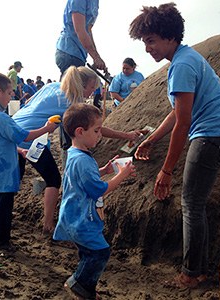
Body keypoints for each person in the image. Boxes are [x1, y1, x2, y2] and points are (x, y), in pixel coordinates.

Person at [129, 2, 220, 288]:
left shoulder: (181, 65)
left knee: (191, 203)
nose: (147, 49)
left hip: (213, 133)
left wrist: (167, 170)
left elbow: (184, 123)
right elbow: (179, 112)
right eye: (145, 42)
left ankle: (192, 274)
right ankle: (198, 270)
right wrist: (152, 138)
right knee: (195, 202)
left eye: (151, 41)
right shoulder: (187, 57)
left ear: (170, 37)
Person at [13, 66, 142, 233]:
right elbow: (98, 129)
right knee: (53, 179)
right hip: (29, 138)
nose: (91, 93)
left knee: (15, 177)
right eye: (91, 88)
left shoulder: (52, 86)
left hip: (14, 127)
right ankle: (48, 224)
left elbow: (28, 102)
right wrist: (126, 135)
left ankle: (6, 211)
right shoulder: (73, 101)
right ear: (82, 86)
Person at [54, 103, 136, 299]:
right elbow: (98, 189)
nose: (100, 135)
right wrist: (120, 176)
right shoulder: (82, 159)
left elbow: (82, 178)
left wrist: (104, 171)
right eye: (97, 130)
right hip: (82, 219)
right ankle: (80, 286)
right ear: (80, 131)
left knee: (89, 253)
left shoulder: (75, 154)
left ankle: (83, 286)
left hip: (74, 216)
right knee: (101, 253)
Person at [0, 72, 58, 253]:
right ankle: (2, 243)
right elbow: (24, 135)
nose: (11, 96)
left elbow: (3, 141)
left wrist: (20, 150)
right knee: (4, 207)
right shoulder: (2, 118)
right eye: (9, 93)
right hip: (3, 169)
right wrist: (47, 128)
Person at [55, 0, 106, 76]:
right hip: (69, 52)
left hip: (80, 54)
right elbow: (79, 29)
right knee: (72, 86)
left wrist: (96, 56)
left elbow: (88, 29)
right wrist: (96, 57)